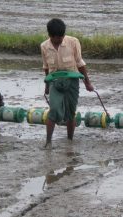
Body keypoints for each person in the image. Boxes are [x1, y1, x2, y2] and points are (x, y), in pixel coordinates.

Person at [40, 18, 94, 149]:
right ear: (50, 35)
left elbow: (80, 64)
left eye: (61, 37)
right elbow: (46, 67)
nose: (58, 40)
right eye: (55, 38)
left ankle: (69, 140)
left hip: (72, 81)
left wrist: (87, 83)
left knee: (70, 112)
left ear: (64, 35)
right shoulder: (44, 46)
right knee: (54, 110)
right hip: (55, 82)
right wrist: (47, 86)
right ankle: (48, 142)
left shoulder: (73, 42)